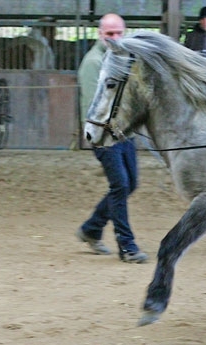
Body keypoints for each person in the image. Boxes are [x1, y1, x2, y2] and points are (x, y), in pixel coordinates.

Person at [76, 13, 148, 264]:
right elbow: (92, 108)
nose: (115, 38)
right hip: (104, 136)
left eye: (119, 33)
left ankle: (91, 229)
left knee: (131, 184)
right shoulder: (93, 63)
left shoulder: (123, 58)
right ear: (100, 34)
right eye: (110, 34)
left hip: (123, 133)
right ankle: (127, 246)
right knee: (120, 186)